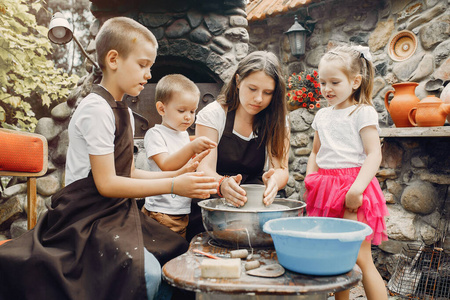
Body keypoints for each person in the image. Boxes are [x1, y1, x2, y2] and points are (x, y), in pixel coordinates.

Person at [0, 17, 218, 300]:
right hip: (85, 216)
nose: (149, 74)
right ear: (113, 59)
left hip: (115, 211)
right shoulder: (96, 109)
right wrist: (175, 186)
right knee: (147, 274)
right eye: (143, 65)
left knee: (177, 252)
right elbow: (106, 184)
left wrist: (177, 175)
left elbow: (127, 173)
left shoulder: (123, 110)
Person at [304, 45, 389, 300]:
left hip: (354, 188)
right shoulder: (322, 115)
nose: (327, 88)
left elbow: (374, 154)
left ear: (355, 81)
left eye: (334, 82)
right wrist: (311, 178)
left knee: (361, 257)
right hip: (326, 189)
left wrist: (356, 190)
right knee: (338, 259)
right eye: (322, 82)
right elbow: (315, 152)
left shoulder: (362, 112)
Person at [186, 51, 290, 240]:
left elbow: (281, 168)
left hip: (256, 201)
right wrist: (222, 184)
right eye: (252, 88)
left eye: (267, 93)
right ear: (238, 81)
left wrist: (274, 181)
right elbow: (204, 168)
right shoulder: (213, 115)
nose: (259, 99)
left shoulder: (278, 120)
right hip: (215, 200)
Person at [142, 74, 217, 238]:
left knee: (177, 248)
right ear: (162, 109)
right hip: (161, 212)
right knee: (165, 250)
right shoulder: (155, 135)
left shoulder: (182, 134)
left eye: (192, 111)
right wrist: (191, 147)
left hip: (181, 210)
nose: (188, 116)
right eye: (181, 111)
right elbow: (166, 165)